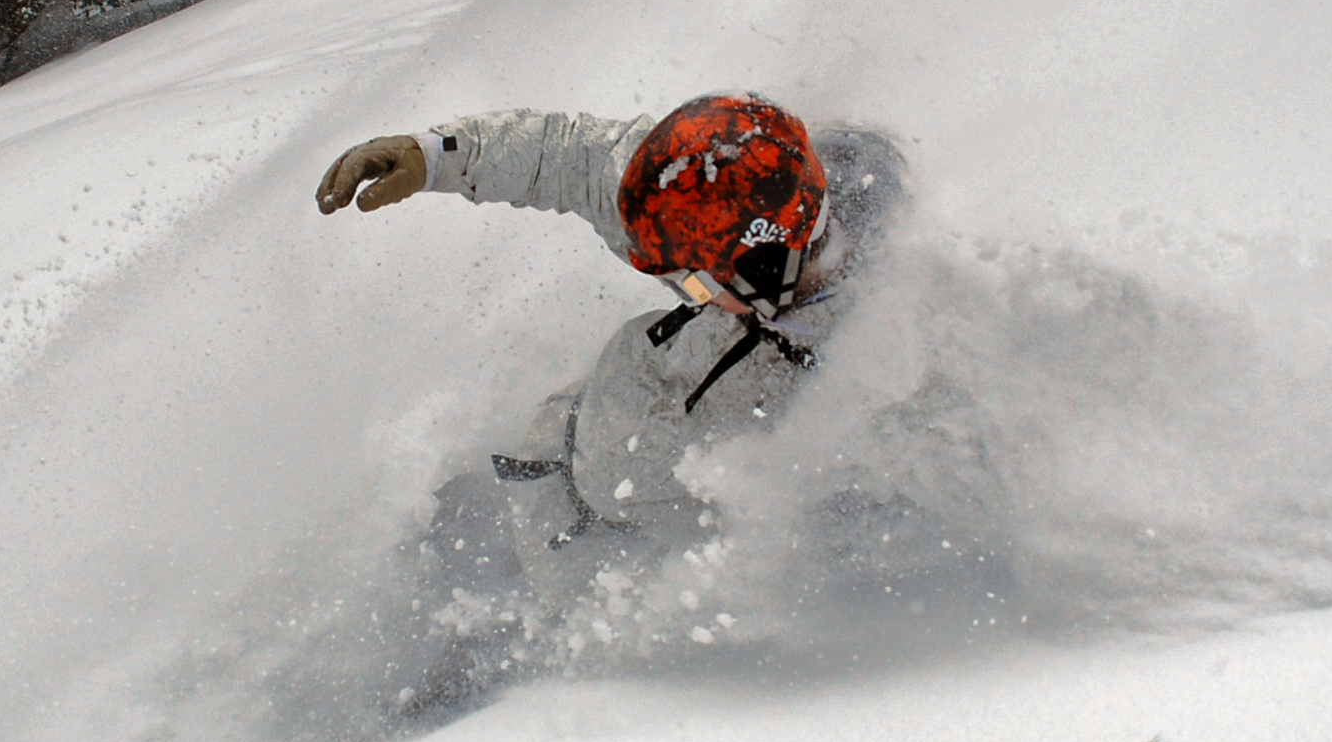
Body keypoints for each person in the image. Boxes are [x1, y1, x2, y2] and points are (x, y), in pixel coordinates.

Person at [315, 95, 904, 616]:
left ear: (763, 270)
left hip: (619, 583)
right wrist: (435, 156)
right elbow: (570, 155)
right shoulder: (700, 194)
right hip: (552, 468)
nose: (678, 281)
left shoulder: (879, 353)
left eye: (693, 279)